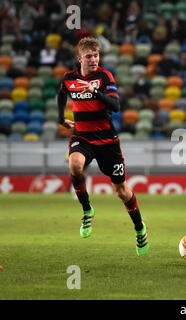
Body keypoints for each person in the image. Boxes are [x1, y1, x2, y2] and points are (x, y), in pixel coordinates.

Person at [57, 37, 149, 256]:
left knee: (121, 191)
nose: (93, 60)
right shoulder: (69, 78)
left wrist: (94, 91)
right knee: (75, 166)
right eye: (89, 56)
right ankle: (87, 210)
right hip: (83, 136)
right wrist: (61, 119)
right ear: (80, 58)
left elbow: (116, 106)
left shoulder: (104, 77)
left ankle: (139, 229)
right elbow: (62, 94)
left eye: (96, 56)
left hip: (107, 141)